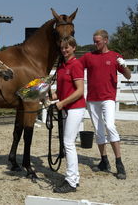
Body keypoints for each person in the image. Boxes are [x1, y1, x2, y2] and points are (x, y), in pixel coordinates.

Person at [79, 29, 131, 180]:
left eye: (98, 41)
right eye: (94, 41)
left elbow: (128, 76)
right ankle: (104, 160)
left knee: (110, 125)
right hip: (92, 99)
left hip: (108, 97)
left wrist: (124, 65)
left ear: (106, 40)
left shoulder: (115, 56)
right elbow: (75, 66)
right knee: (98, 130)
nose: (95, 44)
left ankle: (119, 163)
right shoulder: (89, 57)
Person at [51, 36, 86, 193]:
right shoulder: (61, 66)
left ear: (73, 48)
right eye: (62, 47)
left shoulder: (76, 65)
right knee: (68, 143)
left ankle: (71, 181)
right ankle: (74, 177)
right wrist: (48, 94)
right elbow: (60, 93)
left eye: (67, 47)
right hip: (66, 108)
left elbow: (79, 91)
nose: (64, 50)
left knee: (68, 143)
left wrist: (63, 103)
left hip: (75, 108)